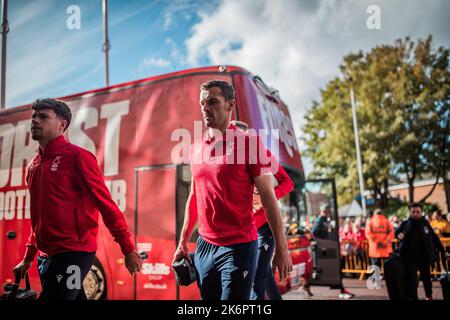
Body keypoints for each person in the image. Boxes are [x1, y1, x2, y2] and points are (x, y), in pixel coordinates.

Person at [172, 80, 292, 300]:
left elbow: (269, 198)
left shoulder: (249, 143)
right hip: (204, 247)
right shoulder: (195, 147)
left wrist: (281, 249)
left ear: (230, 105)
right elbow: (194, 195)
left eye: (212, 102)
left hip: (238, 247)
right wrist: (182, 240)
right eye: (202, 103)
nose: (205, 108)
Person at [13, 98, 142, 300]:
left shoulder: (78, 157)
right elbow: (39, 218)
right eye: (34, 117)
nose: (35, 121)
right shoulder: (33, 165)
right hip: (46, 257)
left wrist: (128, 249)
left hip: (74, 252)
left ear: (62, 125)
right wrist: (29, 258)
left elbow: (106, 205)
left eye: (43, 117)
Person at [231, 120, 294, 300]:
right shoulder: (228, 159)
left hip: (264, 228)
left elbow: (288, 183)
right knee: (264, 277)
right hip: (245, 229)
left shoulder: (263, 155)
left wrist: (267, 196)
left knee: (255, 282)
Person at [396, 203, 447, 300]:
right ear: (410, 212)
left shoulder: (425, 223)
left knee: (426, 279)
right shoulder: (405, 223)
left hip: (424, 258)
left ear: (421, 212)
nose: (415, 214)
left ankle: (429, 296)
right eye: (413, 212)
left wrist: (442, 250)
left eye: (418, 212)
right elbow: (396, 232)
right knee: (412, 281)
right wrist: (398, 235)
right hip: (409, 258)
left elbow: (434, 238)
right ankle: (413, 297)